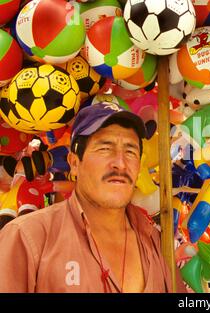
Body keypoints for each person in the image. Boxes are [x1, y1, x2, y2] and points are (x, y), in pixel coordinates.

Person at [0, 102, 186, 293]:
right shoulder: (28, 237)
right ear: (74, 163)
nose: (120, 164)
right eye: (105, 148)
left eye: (130, 151)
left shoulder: (155, 240)